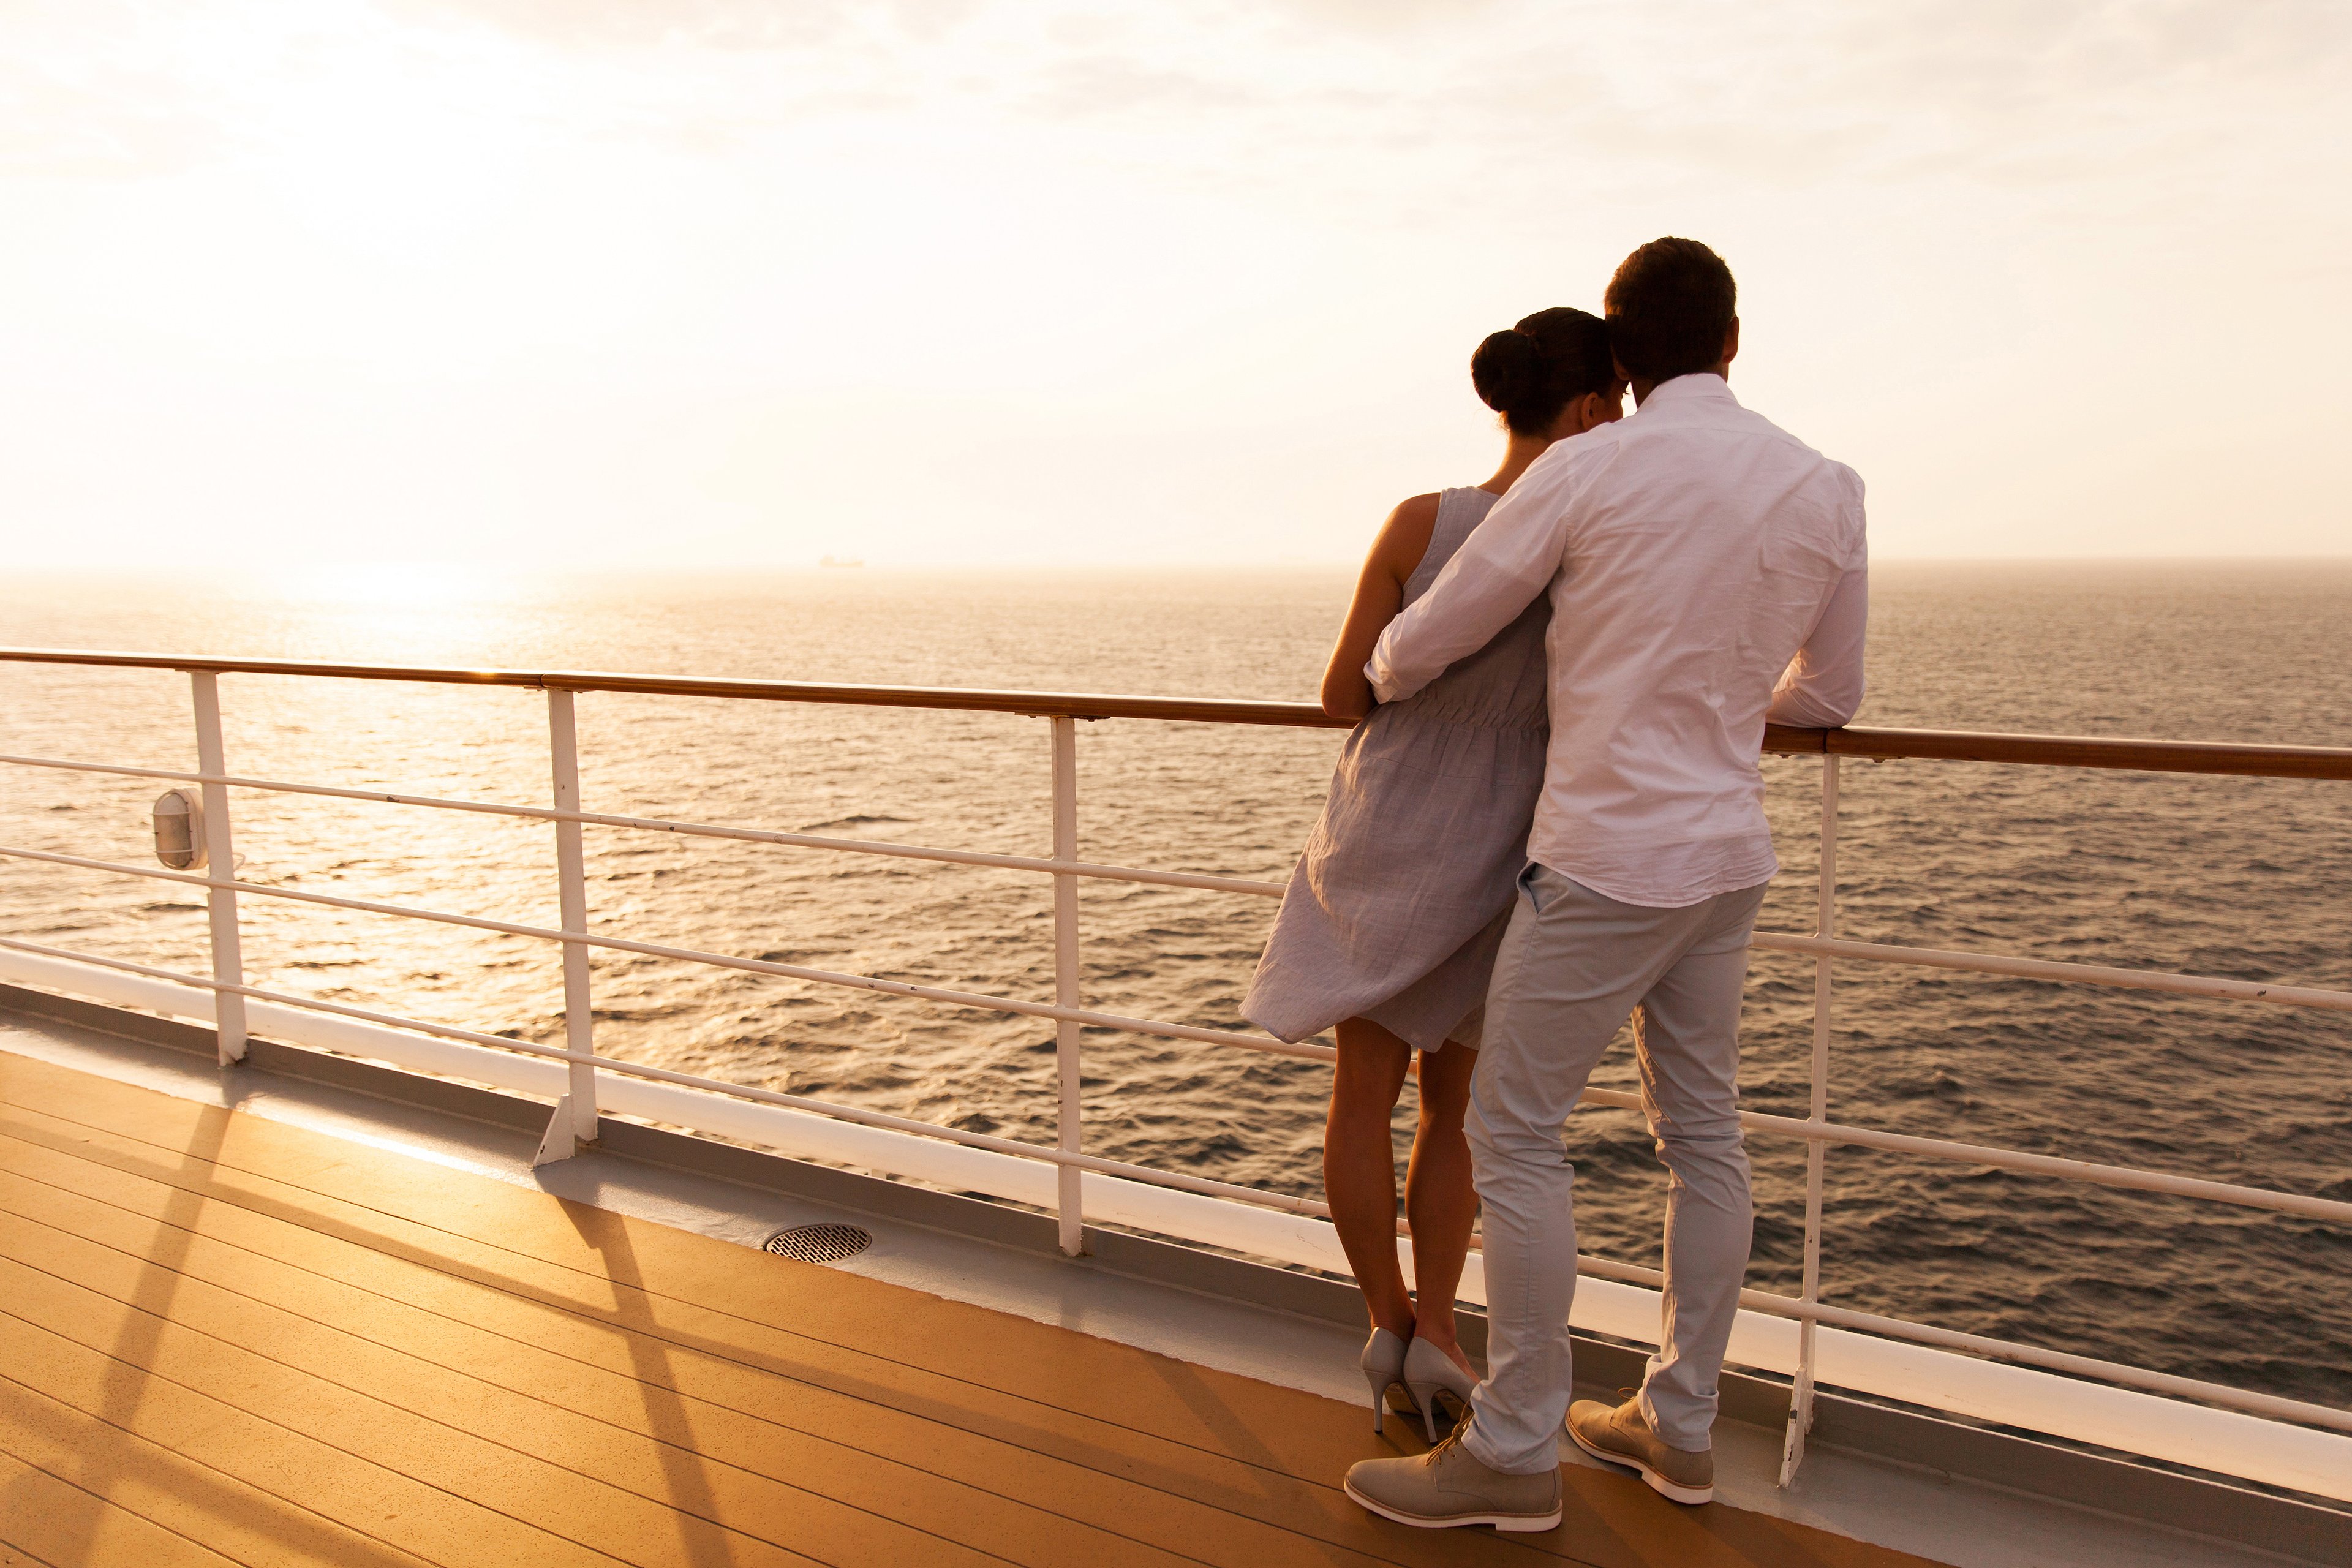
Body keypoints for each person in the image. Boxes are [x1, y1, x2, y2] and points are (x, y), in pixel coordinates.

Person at [1341, 237, 1868, 1533]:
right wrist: (1725, 707)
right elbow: (1834, 696)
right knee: (1707, 1137)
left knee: (1513, 1138)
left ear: (1622, 359)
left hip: (1602, 863)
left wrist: (1394, 681)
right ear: (1734, 340)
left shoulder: (1591, 464)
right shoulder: (1826, 482)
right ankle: (1676, 1425)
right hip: (1725, 860)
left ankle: (1516, 1445)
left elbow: (1429, 634)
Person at [1242, 309, 1626, 1441]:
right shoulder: (1590, 545)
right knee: (1455, 1107)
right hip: (1506, 846)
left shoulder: (1423, 522)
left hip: (1384, 828)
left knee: (1361, 1092)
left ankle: (1387, 1324)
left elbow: (1340, 695)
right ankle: (1446, 1338)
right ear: (1594, 409)